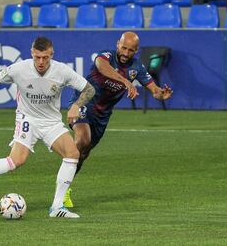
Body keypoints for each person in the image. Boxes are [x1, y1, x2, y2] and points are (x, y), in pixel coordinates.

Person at [0, 37, 95, 218]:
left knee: (73, 154)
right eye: (37, 57)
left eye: (45, 57)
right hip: (27, 119)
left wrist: (76, 105)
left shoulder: (61, 71)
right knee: (16, 161)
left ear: (51, 55)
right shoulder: (18, 69)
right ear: (32, 54)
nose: (40, 62)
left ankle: (56, 207)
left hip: (51, 122)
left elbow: (89, 89)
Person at [64, 32, 173, 208]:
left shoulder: (137, 67)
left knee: (83, 153)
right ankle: (62, 187)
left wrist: (161, 94)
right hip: (83, 102)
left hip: (102, 115)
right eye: (123, 48)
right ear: (117, 44)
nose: (125, 53)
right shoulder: (106, 56)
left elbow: (154, 90)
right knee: (83, 140)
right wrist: (126, 82)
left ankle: (65, 183)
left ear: (136, 51)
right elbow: (101, 67)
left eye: (131, 50)